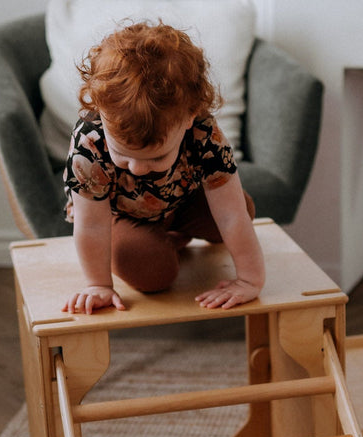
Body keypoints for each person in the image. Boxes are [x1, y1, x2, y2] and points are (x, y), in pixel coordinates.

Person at [60, 21, 264, 315]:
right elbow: (91, 225)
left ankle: (169, 238)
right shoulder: (88, 143)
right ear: (101, 113)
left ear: (190, 116)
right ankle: (158, 244)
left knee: (244, 208)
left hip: (179, 201)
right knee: (153, 274)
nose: (138, 169)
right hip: (119, 216)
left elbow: (231, 215)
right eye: (123, 155)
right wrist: (98, 285)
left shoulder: (204, 133)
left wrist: (249, 279)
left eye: (156, 158)